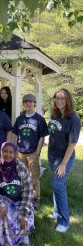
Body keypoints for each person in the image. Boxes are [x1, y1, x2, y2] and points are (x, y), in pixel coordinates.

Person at [0, 142, 34, 246]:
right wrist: (0, 203)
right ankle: (2, 238)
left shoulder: (21, 168)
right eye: (5, 151)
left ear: (15, 153)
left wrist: (23, 213)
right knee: (1, 215)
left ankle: (22, 236)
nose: (8, 155)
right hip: (3, 201)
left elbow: (28, 192)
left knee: (25, 218)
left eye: (11, 152)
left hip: (20, 202)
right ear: (1, 152)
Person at [48, 88, 80, 233]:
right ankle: (57, 211)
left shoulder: (73, 119)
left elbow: (72, 144)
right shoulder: (55, 115)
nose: (59, 100)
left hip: (63, 156)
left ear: (68, 100)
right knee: (56, 185)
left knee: (58, 184)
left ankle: (64, 221)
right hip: (52, 154)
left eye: (62, 98)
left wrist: (63, 164)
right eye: (57, 98)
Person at [12, 94, 49, 209]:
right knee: (21, 176)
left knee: (34, 177)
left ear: (34, 104)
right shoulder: (20, 118)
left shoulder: (39, 119)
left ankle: (35, 199)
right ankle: (23, 196)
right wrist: (14, 149)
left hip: (33, 152)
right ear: (23, 104)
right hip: (20, 152)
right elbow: (15, 134)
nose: (28, 104)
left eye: (30, 102)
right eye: (25, 102)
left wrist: (37, 152)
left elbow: (42, 137)